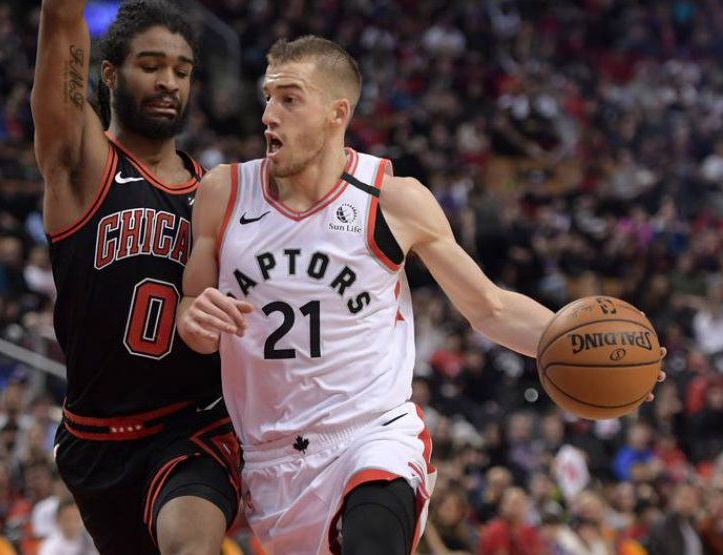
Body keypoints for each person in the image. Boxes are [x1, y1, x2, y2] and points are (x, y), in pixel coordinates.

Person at [177, 35, 665, 555]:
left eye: (290, 99)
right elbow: (193, 315)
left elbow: (490, 308)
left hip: (372, 435)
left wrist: (593, 347)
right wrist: (192, 319)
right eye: (268, 97)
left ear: (337, 113)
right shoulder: (224, 192)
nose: (269, 115)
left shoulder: (392, 198)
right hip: (271, 458)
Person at [31, 1, 240, 554]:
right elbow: (61, 22)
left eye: (182, 70)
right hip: (97, 437)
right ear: (109, 73)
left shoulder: (216, 193)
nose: (169, 81)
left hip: (194, 423)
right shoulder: (83, 167)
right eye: (150, 65)